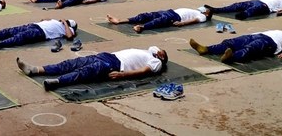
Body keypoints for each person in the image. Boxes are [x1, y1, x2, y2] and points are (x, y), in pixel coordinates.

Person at [16, 46, 168, 91]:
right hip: (107, 55)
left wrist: (123, 75)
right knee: (69, 64)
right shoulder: (150, 51)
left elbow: (144, 71)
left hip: (115, 66)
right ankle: (35, 69)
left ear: (162, 57)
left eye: (162, 53)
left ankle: (57, 81)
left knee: (84, 72)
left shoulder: (156, 62)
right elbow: (154, 47)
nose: (160, 51)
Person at [189, 30, 282, 63]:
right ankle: (206, 49)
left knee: (250, 49)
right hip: (257, 35)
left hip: (270, 43)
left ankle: (231, 57)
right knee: (230, 42)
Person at [0, 19, 78, 51]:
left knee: (18, 38)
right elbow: (43, 20)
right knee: (7, 32)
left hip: (40, 32)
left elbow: (69, 36)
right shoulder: (57, 22)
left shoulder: (68, 29)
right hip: (33, 25)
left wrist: (65, 23)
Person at [106, 6, 212, 33]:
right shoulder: (198, 11)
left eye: (206, 10)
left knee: (158, 21)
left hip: (175, 17)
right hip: (170, 11)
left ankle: (142, 27)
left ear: (207, 14)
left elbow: (195, 20)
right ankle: (120, 21)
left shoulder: (203, 17)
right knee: (145, 15)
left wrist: (182, 23)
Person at [204, 0, 282, 20]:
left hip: (265, 6)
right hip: (256, 1)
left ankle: (244, 15)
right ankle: (216, 10)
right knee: (236, 5)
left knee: (253, 9)